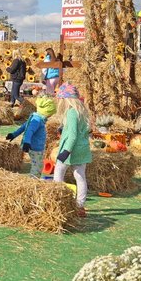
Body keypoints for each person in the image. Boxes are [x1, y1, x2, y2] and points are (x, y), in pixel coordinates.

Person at [53, 83, 92, 217]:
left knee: (58, 172)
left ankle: (57, 199)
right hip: (82, 149)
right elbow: (83, 130)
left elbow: (73, 135)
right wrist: (63, 129)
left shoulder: (71, 112)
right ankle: (80, 206)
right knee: (80, 177)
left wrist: (66, 151)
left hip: (71, 149)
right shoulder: (82, 111)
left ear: (66, 99)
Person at [6, 96, 56, 178]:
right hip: (35, 147)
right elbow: (29, 131)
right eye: (49, 115)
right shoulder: (37, 120)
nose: (49, 117)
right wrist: (27, 142)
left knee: (36, 164)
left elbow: (24, 127)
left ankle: (34, 178)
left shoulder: (34, 117)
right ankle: (33, 180)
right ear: (46, 112)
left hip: (33, 146)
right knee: (37, 167)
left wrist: (14, 134)